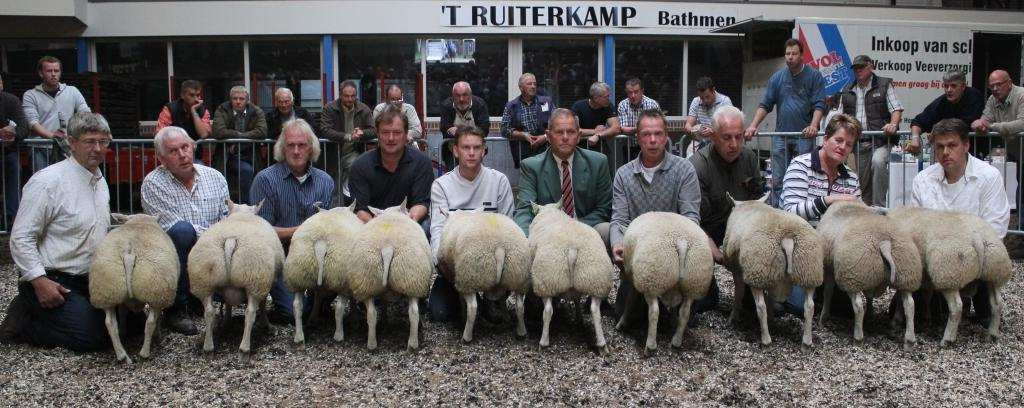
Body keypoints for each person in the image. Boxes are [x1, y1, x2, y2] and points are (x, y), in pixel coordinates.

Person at [0, 112, 112, 351]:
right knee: (94, 337)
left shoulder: (100, 181)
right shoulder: (48, 182)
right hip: (54, 279)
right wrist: (39, 282)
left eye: (103, 142)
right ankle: (24, 322)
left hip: (90, 278)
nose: (98, 148)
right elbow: (21, 237)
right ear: (71, 142)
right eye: (90, 141)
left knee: (130, 325)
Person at [909, 118, 1009, 324]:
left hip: (975, 257)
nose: (945, 152)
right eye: (940, 146)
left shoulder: (989, 177)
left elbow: (995, 229)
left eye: (952, 145)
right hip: (935, 261)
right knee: (909, 316)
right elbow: (915, 226)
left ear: (966, 145)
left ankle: (980, 298)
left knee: (987, 318)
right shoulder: (922, 179)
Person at [610, 109, 703, 321]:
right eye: (646, 134)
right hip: (640, 255)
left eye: (658, 134)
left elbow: (690, 218)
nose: (653, 140)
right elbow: (619, 219)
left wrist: (666, 249)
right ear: (637, 138)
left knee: (699, 302)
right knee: (628, 316)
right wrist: (617, 243)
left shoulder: (684, 169)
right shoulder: (623, 174)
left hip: (675, 251)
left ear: (666, 136)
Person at [141, 126, 231, 335]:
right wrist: (213, 235)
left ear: (193, 147)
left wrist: (219, 236)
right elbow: (171, 227)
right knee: (182, 231)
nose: (182, 155)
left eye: (185, 147)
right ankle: (176, 309)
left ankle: (210, 299)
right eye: (173, 151)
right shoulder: (153, 184)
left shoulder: (215, 177)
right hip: (175, 252)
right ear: (161, 159)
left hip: (212, 251)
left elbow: (226, 219)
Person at [427, 125, 515, 322]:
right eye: (466, 147)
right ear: (455, 151)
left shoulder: (499, 181)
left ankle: (493, 299)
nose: (472, 153)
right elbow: (438, 229)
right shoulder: (442, 185)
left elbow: (508, 227)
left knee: (496, 320)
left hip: (492, 263)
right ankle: (466, 298)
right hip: (455, 267)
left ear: (484, 150)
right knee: (440, 315)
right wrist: (440, 262)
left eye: (477, 147)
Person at [250, 119, 334, 323]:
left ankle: (317, 301)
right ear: (281, 148)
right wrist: (302, 230)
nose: (296, 151)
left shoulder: (325, 181)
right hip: (281, 257)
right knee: (293, 313)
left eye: (302, 145)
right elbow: (262, 230)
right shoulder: (265, 180)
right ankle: (302, 305)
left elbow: (331, 227)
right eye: (291, 145)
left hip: (316, 254)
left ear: (311, 148)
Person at [779, 113, 862, 314]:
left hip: (835, 253)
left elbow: (858, 219)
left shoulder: (851, 178)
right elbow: (790, 211)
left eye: (849, 144)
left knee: (846, 312)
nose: (843, 147)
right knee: (798, 307)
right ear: (825, 139)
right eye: (838, 140)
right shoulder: (801, 165)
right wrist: (827, 201)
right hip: (801, 247)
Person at [745, 39, 827, 206]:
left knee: (803, 177)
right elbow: (765, 104)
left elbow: (820, 104)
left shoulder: (814, 76)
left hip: (804, 136)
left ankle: (801, 211)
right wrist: (753, 125)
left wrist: (813, 125)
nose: (790, 57)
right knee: (777, 180)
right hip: (781, 136)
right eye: (788, 54)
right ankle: (777, 211)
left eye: (794, 53)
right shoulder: (778, 78)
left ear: (802, 55)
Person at [513, 108, 612, 242]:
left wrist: (571, 228)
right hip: (547, 233)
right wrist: (523, 239)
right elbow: (525, 210)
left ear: (578, 136)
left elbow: (604, 209)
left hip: (585, 228)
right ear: (548, 136)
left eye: (571, 132)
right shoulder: (531, 166)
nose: (565, 137)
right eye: (559, 132)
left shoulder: (598, 162)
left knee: (607, 229)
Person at [836, 55, 904, 207]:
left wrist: (893, 124)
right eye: (855, 68)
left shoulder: (884, 84)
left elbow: (896, 109)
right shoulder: (847, 89)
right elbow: (839, 116)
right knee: (861, 182)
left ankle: (879, 207)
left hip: (881, 141)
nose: (858, 70)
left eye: (861, 67)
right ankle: (865, 212)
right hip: (858, 143)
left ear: (871, 66)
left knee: (878, 161)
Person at [347, 108, 434, 226]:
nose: (391, 138)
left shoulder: (422, 163)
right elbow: (359, 209)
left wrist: (408, 221)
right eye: (385, 132)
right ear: (377, 134)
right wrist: (381, 229)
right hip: (371, 225)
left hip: (409, 224)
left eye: (397, 133)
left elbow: (421, 203)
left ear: (405, 134)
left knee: (427, 226)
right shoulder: (360, 166)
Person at [22, 55, 91, 173]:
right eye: (49, 71)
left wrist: (74, 134)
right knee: (42, 184)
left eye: (56, 71)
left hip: (68, 147)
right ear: (41, 73)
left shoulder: (72, 91)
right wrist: (53, 136)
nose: (53, 74)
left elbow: (85, 114)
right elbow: (32, 122)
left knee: (68, 183)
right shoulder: (30, 95)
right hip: (40, 148)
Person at [320, 80, 376, 204]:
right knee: (332, 186)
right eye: (346, 96)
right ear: (340, 95)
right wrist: (347, 136)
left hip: (353, 153)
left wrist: (362, 133)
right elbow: (325, 130)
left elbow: (373, 130)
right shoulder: (330, 108)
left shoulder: (363, 109)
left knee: (354, 181)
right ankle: (333, 214)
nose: (350, 99)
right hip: (333, 153)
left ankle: (354, 208)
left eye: (353, 96)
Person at [211, 85, 267, 204]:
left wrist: (238, 139)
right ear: (230, 99)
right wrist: (240, 134)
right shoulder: (222, 109)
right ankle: (245, 205)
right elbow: (218, 132)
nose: (238, 102)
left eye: (241, 99)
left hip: (251, 155)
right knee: (245, 170)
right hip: (227, 155)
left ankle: (250, 205)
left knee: (255, 174)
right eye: (234, 98)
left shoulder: (256, 111)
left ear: (247, 100)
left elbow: (262, 132)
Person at [907, 70, 984, 154]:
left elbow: (964, 124)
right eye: (946, 86)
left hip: (975, 151)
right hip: (950, 152)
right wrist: (915, 138)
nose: (949, 90)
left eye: (953, 86)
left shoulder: (974, 96)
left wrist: (937, 130)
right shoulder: (942, 101)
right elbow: (918, 122)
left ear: (963, 86)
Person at [972, 70, 1024, 191]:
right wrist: (979, 125)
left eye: (999, 84)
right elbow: (984, 119)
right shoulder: (992, 99)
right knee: (1020, 190)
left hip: (1019, 149)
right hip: (1017, 153)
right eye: (991, 86)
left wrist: (991, 126)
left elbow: (1022, 124)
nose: (995, 88)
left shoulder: (1021, 95)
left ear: (1010, 83)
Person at [500, 73, 553, 168]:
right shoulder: (511, 106)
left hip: (545, 148)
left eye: (535, 84)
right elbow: (504, 130)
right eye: (529, 84)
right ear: (521, 87)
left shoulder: (546, 102)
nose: (533, 86)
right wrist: (523, 135)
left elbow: (557, 124)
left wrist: (545, 137)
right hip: (523, 151)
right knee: (528, 178)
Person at [439, 81, 490, 170]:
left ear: (470, 94)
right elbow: (444, 128)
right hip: (452, 151)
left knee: (474, 174)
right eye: (457, 95)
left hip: (474, 149)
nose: (461, 99)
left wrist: (458, 131)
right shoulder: (446, 105)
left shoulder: (480, 104)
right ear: (453, 95)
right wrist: (449, 130)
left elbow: (484, 129)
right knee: (453, 177)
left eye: (464, 95)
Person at [0, 73, 28, 228]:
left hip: (8, 152)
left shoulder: (11, 100)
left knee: (13, 183)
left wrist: (14, 135)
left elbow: (24, 126)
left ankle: (13, 221)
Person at [571, 81, 621, 160]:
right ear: (596, 98)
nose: (609, 99)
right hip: (581, 150)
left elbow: (616, 128)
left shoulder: (608, 106)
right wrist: (594, 131)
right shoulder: (578, 106)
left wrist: (598, 135)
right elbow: (575, 130)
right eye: (606, 97)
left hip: (600, 149)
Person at [684, 76, 734, 153]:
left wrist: (714, 131)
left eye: (707, 97)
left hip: (719, 141)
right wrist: (696, 131)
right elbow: (688, 126)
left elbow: (731, 126)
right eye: (702, 98)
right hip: (699, 142)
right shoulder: (696, 101)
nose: (705, 100)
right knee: (689, 158)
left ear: (713, 90)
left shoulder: (725, 102)